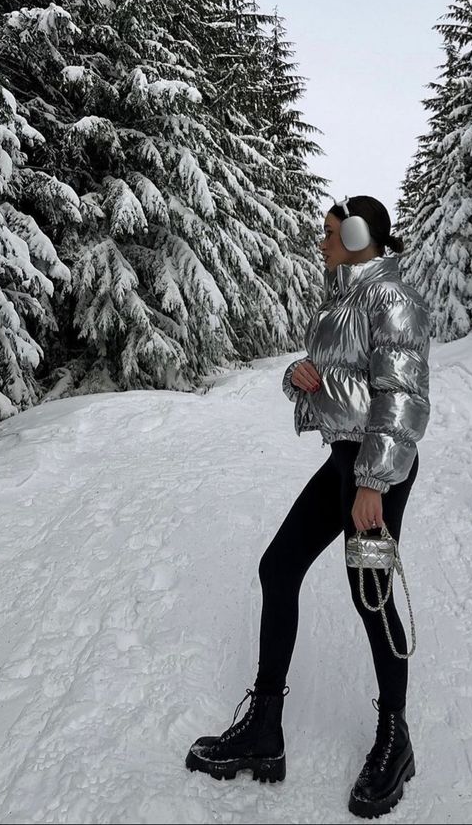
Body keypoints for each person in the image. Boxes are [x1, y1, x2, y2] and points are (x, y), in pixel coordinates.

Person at [185, 195, 432, 819]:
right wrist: (303, 376)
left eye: (329, 234)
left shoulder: (392, 300)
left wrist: (374, 482)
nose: (320, 242)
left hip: (378, 473)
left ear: (356, 236)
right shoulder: (341, 297)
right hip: (344, 462)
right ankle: (265, 729)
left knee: (368, 594)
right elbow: (341, 384)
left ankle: (395, 741)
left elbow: (400, 399)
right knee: (279, 567)